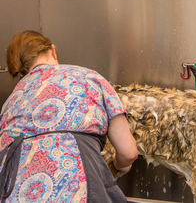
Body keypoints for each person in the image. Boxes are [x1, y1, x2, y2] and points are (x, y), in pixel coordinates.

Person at [0, 30, 138, 202]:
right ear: (53, 50)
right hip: (75, 190)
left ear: (20, 71)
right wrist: (119, 165)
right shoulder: (89, 77)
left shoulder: (11, 100)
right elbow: (129, 152)